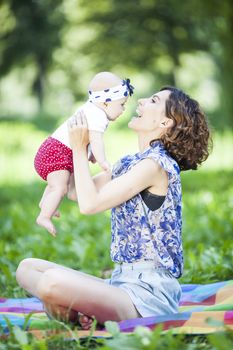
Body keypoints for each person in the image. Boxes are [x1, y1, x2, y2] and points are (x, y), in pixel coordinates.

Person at [16, 86, 211, 330]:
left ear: (165, 122)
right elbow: (77, 192)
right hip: (120, 283)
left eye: (152, 100)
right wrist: (75, 146)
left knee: (50, 284)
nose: (140, 102)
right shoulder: (131, 162)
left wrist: (79, 147)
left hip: (148, 296)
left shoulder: (155, 165)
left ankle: (74, 311)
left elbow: (90, 205)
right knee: (27, 268)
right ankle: (80, 312)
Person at [34, 72, 134, 236]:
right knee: (59, 187)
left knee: (65, 188)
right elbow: (96, 140)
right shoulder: (99, 115)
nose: (123, 109)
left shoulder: (92, 109)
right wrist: (102, 161)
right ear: (106, 102)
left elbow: (87, 140)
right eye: (122, 104)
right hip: (57, 153)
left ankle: (46, 203)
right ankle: (44, 216)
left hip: (57, 151)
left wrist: (91, 154)